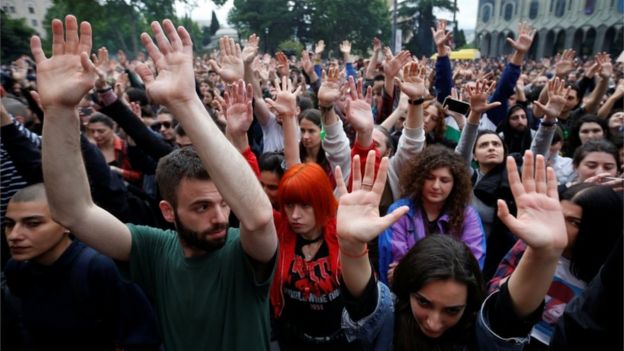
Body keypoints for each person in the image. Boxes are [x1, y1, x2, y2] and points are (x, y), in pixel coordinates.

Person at [35, 16, 277, 351]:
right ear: (167, 210)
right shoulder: (155, 251)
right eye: (201, 207)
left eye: (224, 203)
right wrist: (59, 110)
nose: (221, 217)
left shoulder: (244, 251)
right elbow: (72, 212)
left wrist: (185, 101)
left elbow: (260, 217)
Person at [335, 149, 568, 351]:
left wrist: (544, 256)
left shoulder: (477, 333)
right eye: (424, 302)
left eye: (452, 310)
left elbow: (507, 319)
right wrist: (351, 246)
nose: (434, 323)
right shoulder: (389, 318)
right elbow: (365, 301)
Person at [1, 183, 160, 350]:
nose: (14, 235)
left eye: (33, 223)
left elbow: (143, 338)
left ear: (65, 223)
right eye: (9, 224)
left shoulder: (98, 268)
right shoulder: (17, 269)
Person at [488, 183, 623, 349]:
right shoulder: (532, 244)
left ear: (599, 229)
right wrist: (535, 260)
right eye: (558, 216)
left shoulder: (609, 275)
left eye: (574, 222)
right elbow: (493, 291)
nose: (560, 226)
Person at [378, 144, 486, 284]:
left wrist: (411, 269)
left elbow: (473, 266)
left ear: (455, 183)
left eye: (444, 180)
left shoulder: (468, 215)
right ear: (420, 178)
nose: (436, 186)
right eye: (430, 178)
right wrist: (448, 268)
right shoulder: (399, 211)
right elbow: (391, 266)